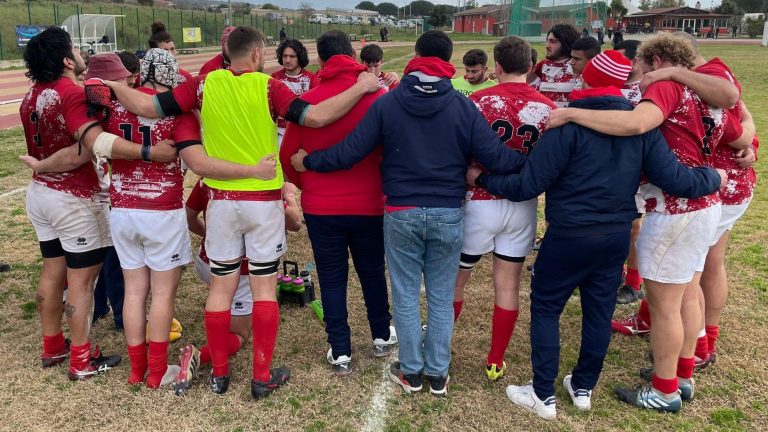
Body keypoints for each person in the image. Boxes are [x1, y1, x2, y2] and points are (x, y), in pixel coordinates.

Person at [98, 25, 381, 399]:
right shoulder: (267, 87)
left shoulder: (204, 84)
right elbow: (315, 117)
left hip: (220, 202)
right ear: (257, 54)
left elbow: (148, 106)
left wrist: (116, 86)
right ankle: (261, 375)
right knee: (264, 287)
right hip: (262, 202)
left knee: (221, 287)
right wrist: (361, 87)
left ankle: (219, 374)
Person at [467, 50, 725, 421]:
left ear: (585, 78)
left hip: (569, 234)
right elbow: (674, 178)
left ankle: (543, 394)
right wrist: (714, 176)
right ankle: (583, 385)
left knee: (546, 308)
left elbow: (528, 184)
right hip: (616, 236)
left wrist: (483, 179)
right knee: (598, 312)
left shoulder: (566, 125)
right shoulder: (641, 127)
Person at [290, 30, 528, 397]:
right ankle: (437, 372)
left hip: (401, 210)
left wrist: (311, 161)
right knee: (440, 293)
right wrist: (541, 163)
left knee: (403, 292)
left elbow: (351, 151)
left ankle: (412, 372)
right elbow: (497, 157)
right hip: (448, 211)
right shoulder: (462, 105)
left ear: (416, 55)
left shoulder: (391, 102)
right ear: (449, 60)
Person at [547, 33, 748, 413]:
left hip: (675, 209)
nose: (635, 73)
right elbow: (742, 135)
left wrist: (572, 113)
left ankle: (664, 390)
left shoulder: (670, 87)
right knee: (688, 293)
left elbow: (636, 124)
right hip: (705, 205)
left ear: (656, 62)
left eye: (640, 65)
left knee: (665, 306)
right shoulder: (704, 95)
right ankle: (682, 376)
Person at [18, 27, 175, 381]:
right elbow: (91, 145)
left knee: (52, 271)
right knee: (82, 283)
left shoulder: (32, 95)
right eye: (74, 47)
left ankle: (53, 344)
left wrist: (41, 167)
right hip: (73, 198)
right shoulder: (71, 93)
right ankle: (80, 359)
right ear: (65, 59)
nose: (79, 53)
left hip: (41, 194)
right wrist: (148, 152)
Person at [279, 30, 396, 377]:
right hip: (369, 204)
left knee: (332, 278)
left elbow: (289, 157)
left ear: (318, 59)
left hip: (321, 205)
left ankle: (340, 348)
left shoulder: (310, 102)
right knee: (372, 271)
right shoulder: (379, 97)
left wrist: (307, 181)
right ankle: (380, 334)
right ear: (354, 55)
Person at [452, 36, 556, 382]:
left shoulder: (476, 101)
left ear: (495, 67)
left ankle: (438, 342)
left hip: (480, 200)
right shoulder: (548, 107)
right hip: (522, 204)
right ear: (530, 66)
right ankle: (495, 359)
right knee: (508, 285)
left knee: (456, 279)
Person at [177, 178, 302, 395]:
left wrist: (210, 236)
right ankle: (200, 356)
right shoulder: (264, 180)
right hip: (245, 270)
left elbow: (188, 216)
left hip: (209, 261)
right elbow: (295, 223)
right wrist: (289, 195)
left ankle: (220, 374)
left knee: (219, 292)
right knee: (241, 332)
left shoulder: (207, 179)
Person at [271, 39, 318, 147]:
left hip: (304, 133)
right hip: (279, 133)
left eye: (292, 56)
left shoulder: (312, 79)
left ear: (300, 57)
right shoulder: (274, 78)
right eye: (284, 56)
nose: (287, 60)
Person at [529, 24, 580, 107]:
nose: (547, 46)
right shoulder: (542, 66)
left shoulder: (576, 66)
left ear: (565, 43)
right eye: (547, 41)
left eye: (553, 41)